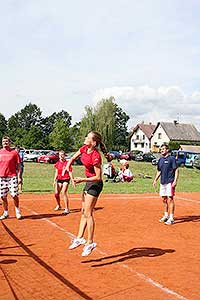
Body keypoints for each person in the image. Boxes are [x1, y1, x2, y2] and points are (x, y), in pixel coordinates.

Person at [63, 131, 112, 257]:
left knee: (88, 213)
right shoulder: (84, 148)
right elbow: (73, 158)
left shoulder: (95, 156)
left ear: (93, 142)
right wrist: (67, 166)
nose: (85, 138)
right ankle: (79, 238)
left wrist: (82, 180)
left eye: (88, 137)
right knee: (83, 212)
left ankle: (90, 242)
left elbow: (98, 177)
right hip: (88, 183)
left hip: (95, 184)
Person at [153, 144, 179, 225]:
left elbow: (176, 170)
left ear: (167, 150)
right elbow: (159, 171)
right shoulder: (160, 160)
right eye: (161, 149)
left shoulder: (172, 159)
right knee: (164, 199)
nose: (162, 150)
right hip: (162, 182)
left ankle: (171, 218)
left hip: (170, 181)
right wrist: (155, 180)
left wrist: (175, 181)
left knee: (170, 198)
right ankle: (166, 215)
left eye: (163, 149)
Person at [0, 136, 22, 220]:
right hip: (2, 177)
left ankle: (17, 211)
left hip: (12, 176)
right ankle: (6, 213)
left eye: (6, 141)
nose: (5, 143)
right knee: (3, 196)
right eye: (3, 141)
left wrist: (19, 177)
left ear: (10, 142)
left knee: (14, 195)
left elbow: (19, 165)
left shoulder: (14, 152)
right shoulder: (0, 152)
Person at [53, 150, 74, 215]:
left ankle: (67, 208)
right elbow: (56, 172)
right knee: (56, 193)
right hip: (59, 179)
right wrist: (54, 180)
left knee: (63, 192)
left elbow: (70, 172)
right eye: (60, 155)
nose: (61, 156)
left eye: (62, 155)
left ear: (65, 156)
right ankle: (59, 205)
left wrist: (73, 180)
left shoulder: (68, 163)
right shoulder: (57, 163)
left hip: (66, 179)